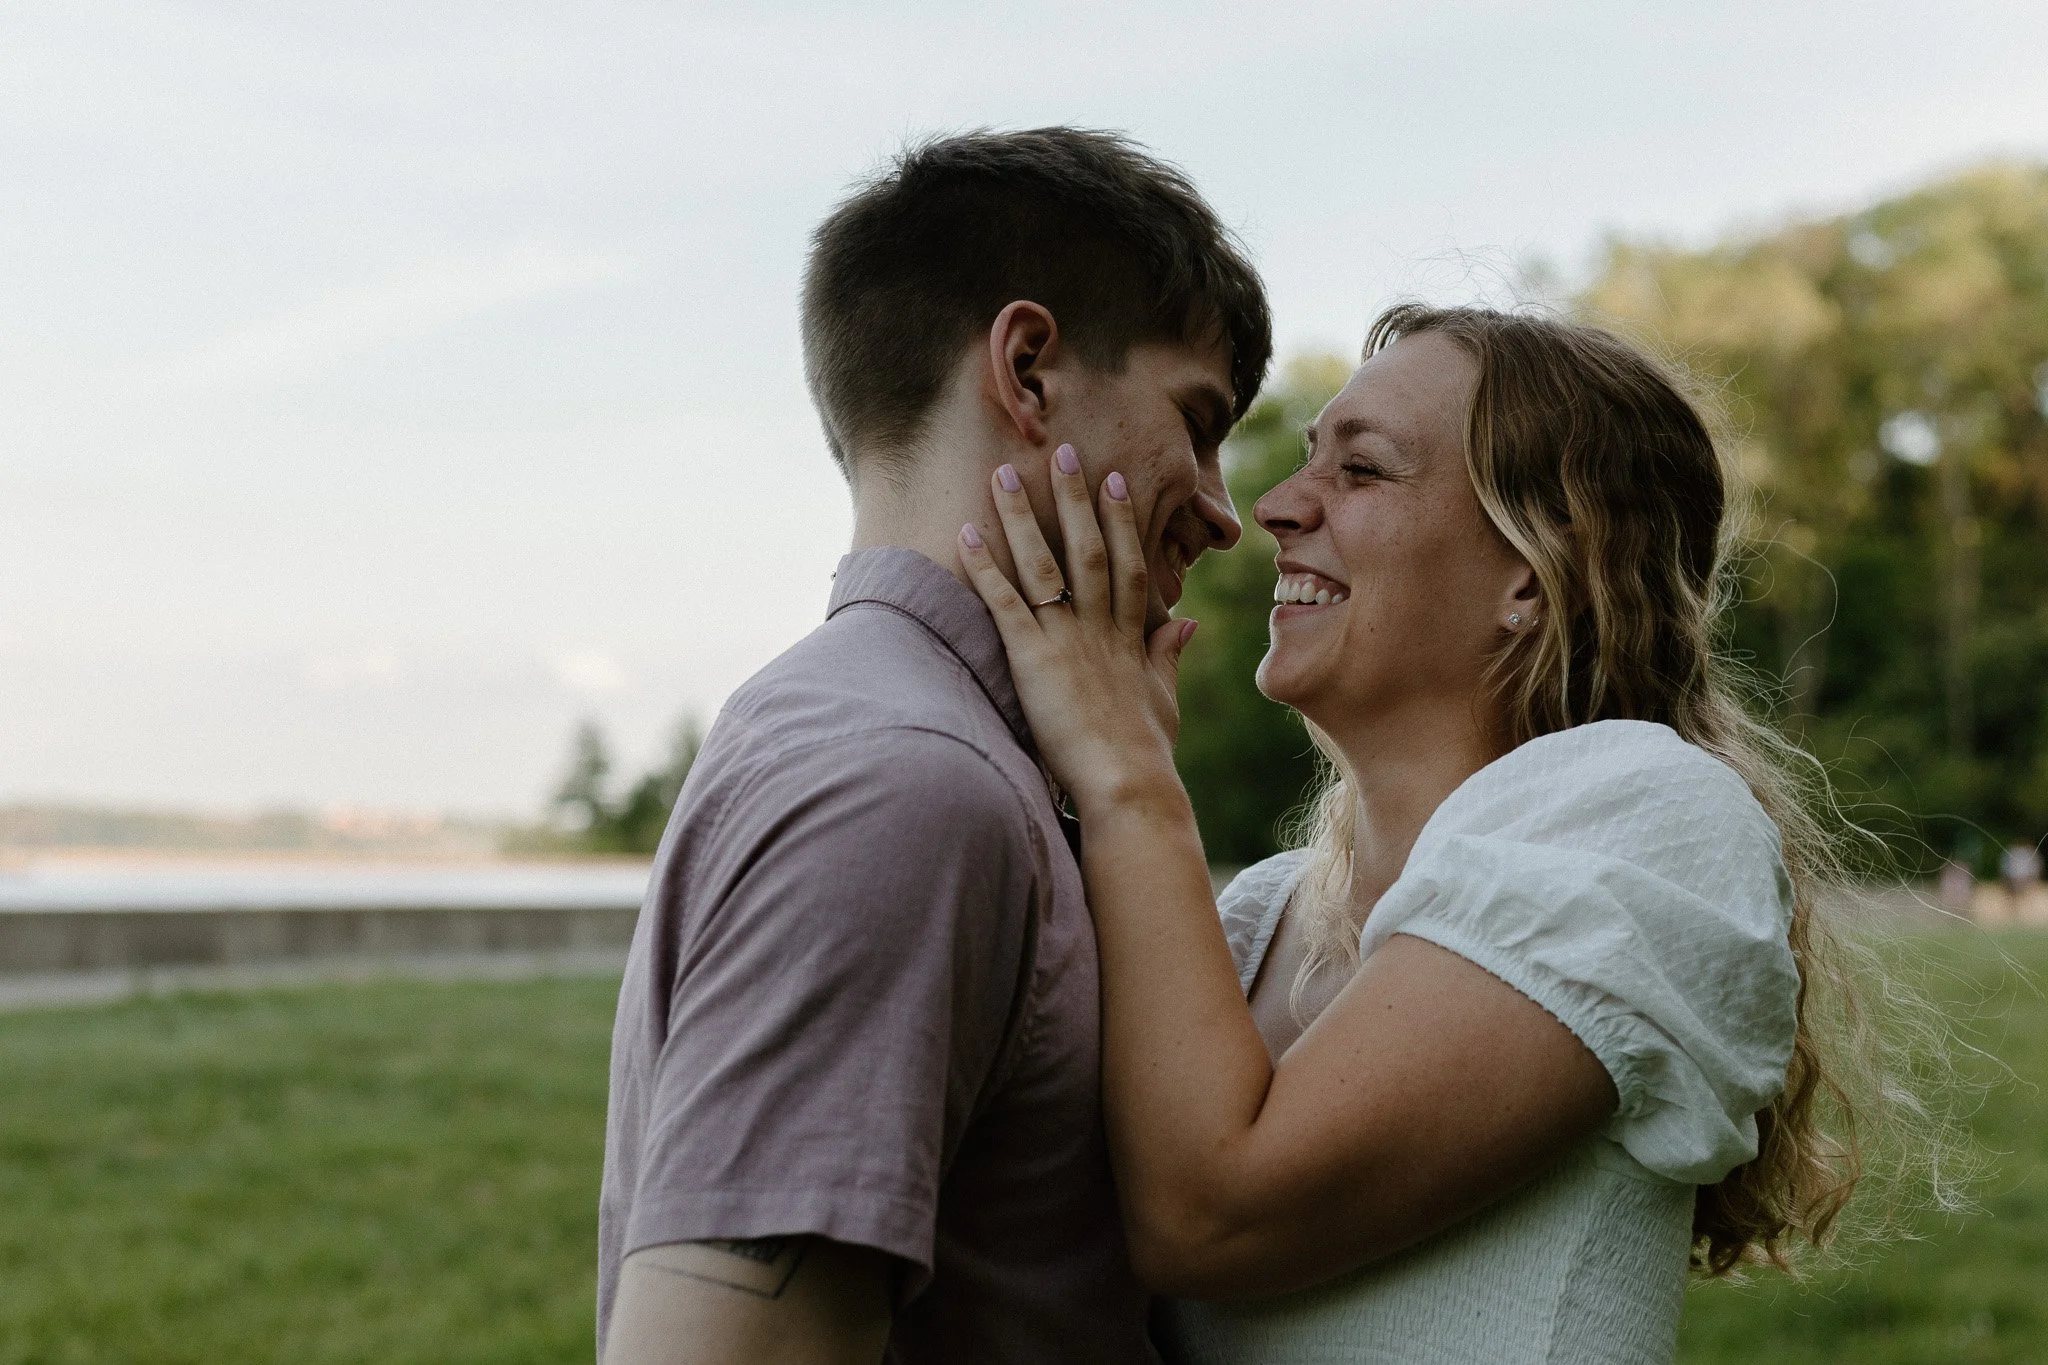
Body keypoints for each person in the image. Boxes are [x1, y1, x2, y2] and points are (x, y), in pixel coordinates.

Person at [958, 304, 1865, 1363]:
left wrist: (1127, 779)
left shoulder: (1647, 816)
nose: (1276, 507)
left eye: (1361, 471)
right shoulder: (1255, 923)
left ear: (1530, 569)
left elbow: (1213, 1212)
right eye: (1306, 465)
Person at [596, 127, 1271, 1365]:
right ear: (1025, 370)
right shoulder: (902, 787)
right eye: (1198, 418)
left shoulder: (882, 735)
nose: (1226, 512)